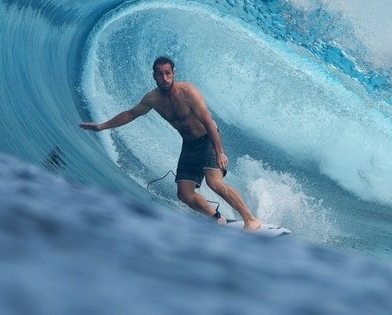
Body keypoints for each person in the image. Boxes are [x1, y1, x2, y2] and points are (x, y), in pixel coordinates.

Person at [80, 56, 262, 231]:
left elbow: (208, 122)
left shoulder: (189, 93)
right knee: (184, 194)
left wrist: (220, 151)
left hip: (208, 139)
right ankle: (216, 218)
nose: (164, 78)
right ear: (154, 76)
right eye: (160, 74)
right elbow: (130, 114)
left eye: (168, 73)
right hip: (189, 145)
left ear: (174, 73)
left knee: (214, 183)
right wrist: (102, 126)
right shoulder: (152, 99)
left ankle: (251, 219)